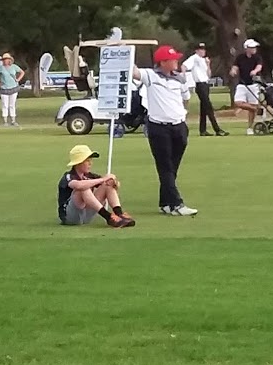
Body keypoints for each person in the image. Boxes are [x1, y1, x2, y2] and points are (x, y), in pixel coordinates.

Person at [131, 45, 198, 216]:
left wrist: (181, 114)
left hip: (179, 127)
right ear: (162, 62)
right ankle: (176, 204)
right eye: (173, 59)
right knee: (165, 167)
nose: (176, 61)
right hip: (159, 128)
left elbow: (186, 99)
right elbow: (134, 72)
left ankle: (165, 203)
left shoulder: (179, 79)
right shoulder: (151, 75)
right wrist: (124, 51)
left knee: (172, 167)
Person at [58, 145, 135, 227]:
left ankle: (119, 215)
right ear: (78, 163)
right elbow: (78, 185)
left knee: (106, 185)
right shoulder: (69, 176)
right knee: (84, 189)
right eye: (87, 161)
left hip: (86, 215)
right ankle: (108, 217)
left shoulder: (89, 176)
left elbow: (111, 184)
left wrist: (113, 182)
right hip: (70, 217)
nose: (90, 163)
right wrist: (103, 179)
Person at [184, 43, 226, 135]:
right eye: (200, 49)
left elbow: (209, 74)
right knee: (209, 107)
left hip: (206, 84)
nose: (203, 51)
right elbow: (184, 66)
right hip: (200, 85)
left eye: (203, 49)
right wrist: (183, 78)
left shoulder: (204, 60)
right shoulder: (194, 58)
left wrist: (208, 64)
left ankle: (203, 130)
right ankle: (217, 129)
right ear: (196, 50)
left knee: (204, 108)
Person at [231, 38, 265, 122]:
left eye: (254, 47)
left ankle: (250, 127)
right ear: (247, 48)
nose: (254, 49)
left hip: (253, 84)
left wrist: (255, 71)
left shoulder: (257, 57)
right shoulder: (240, 57)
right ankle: (256, 109)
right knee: (238, 102)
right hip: (242, 84)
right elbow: (235, 66)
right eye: (252, 47)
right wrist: (233, 71)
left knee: (253, 104)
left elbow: (259, 66)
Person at [0, 52, 25, 126]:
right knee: (5, 104)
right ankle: (5, 121)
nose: (5, 61)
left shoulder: (14, 67)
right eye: (4, 59)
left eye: (6, 59)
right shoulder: (0, 68)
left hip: (13, 87)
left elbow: (22, 72)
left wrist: (18, 79)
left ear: (9, 60)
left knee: (12, 104)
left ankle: (13, 120)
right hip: (4, 89)